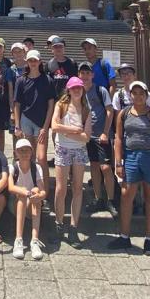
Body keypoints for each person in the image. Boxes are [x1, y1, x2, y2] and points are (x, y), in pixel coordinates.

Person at [109, 81, 150, 254]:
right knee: (126, 195)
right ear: (130, 95)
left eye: (141, 93)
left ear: (146, 95)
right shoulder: (124, 114)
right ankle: (124, 236)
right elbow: (119, 138)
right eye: (134, 93)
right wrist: (118, 162)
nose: (138, 96)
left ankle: (148, 239)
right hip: (131, 157)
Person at [51, 77, 93, 248]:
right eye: (74, 88)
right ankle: (59, 224)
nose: (77, 90)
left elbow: (87, 137)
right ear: (68, 90)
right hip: (63, 149)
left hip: (79, 151)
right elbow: (54, 126)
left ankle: (74, 227)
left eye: (79, 88)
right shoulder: (61, 105)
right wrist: (74, 130)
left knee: (77, 188)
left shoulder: (86, 109)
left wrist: (67, 133)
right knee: (60, 189)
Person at [12, 50, 55, 196]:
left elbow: (51, 104)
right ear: (27, 62)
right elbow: (17, 104)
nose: (33, 63)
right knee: (28, 157)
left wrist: (46, 127)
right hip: (26, 120)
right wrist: (17, 125)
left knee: (41, 158)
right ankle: (29, 190)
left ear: (40, 62)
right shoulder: (21, 80)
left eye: (35, 60)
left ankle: (44, 193)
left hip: (41, 121)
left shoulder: (47, 80)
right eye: (30, 60)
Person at [78, 62, 117, 219]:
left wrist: (106, 133)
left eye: (88, 73)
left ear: (92, 75)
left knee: (106, 168)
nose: (85, 76)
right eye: (82, 73)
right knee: (94, 166)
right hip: (88, 136)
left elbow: (109, 111)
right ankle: (98, 198)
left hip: (101, 135)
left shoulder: (101, 90)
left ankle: (111, 201)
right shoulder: (78, 92)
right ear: (79, 75)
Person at [8, 138, 46, 261]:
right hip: (15, 204)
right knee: (23, 195)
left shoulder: (37, 168)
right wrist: (25, 192)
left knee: (36, 191)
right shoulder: (12, 167)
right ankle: (18, 239)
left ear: (31, 152)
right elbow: (10, 187)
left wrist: (39, 195)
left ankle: (34, 240)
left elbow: (43, 191)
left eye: (27, 150)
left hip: (31, 205)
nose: (24, 153)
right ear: (16, 153)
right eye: (21, 151)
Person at [46, 37, 78, 103]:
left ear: (64, 48)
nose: (58, 49)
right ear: (52, 49)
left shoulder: (72, 63)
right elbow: (47, 85)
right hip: (54, 101)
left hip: (70, 100)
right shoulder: (48, 64)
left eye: (60, 46)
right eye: (55, 47)